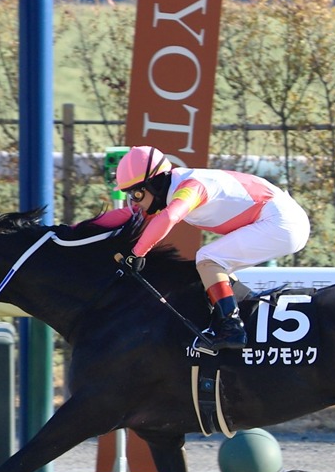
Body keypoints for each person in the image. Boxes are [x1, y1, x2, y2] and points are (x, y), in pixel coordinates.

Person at [93, 145, 310, 351]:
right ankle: (241, 316)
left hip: (283, 222)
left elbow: (170, 217)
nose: (134, 201)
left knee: (208, 258)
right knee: (213, 267)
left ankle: (231, 327)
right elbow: (128, 215)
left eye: (136, 194)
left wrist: (137, 254)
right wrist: (76, 230)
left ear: (154, 185)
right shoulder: (172, 188)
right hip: (280, 220)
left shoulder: (190, 187)